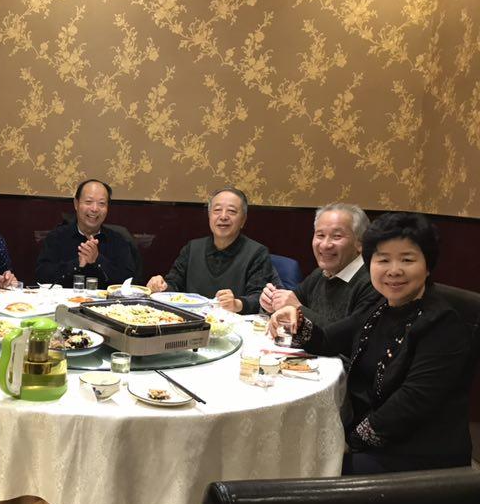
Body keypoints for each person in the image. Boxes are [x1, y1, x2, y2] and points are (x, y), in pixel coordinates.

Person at [268, 212, 472, 475]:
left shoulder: (442, 324)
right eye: (383, 259)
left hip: (417, 457)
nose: (394, 270)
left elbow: (410, 405)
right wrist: (295, 319)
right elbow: (329, 340)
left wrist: (349, 441)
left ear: (428, 265)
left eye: (407, 259)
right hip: (371, 436)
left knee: (301, 469)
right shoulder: (381, 306)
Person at [146, 186, 275, 313]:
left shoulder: (257, 253)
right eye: (217, 210)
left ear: (243, 220)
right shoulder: (192, 248)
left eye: (232, 211)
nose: (223, 216)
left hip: (233, 323)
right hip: (191, 320)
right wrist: (161, 287)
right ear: (209, 216)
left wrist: (237, 304)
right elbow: (174, 284)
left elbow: (260, 298)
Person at [260, 203, 380, 326]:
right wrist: (273, 303)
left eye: (337, 236)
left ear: (360, 243)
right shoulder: (320, 274)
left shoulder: (374, 283)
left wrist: (298, 309)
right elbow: (291, 302)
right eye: (320, 235)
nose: (325, 245)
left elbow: (349, 335)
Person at [35, 179, 136, 287]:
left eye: (101, 203)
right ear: (76, 204)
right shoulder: (57, 237)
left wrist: (97, 259)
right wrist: (77, 264)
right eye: (88, 202)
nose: (94, 209)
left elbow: (129, 280)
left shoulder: (118, 240)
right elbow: (42, 275)